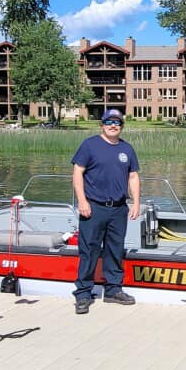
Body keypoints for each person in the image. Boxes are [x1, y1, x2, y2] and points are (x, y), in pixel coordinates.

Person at [71, 109, 141, 313]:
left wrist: (136, 202)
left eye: (117, 123)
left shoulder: (127, 149)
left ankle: (113, 290)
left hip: (118, 209)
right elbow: (77, 172)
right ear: (102, 124)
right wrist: (82, 201)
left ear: (121, 126)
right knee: (89, 251)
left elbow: (133, 176)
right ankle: (83, 294)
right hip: (93, 207)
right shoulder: (90, 145)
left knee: (114, 249)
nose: (113, 125)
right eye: (109, 122)